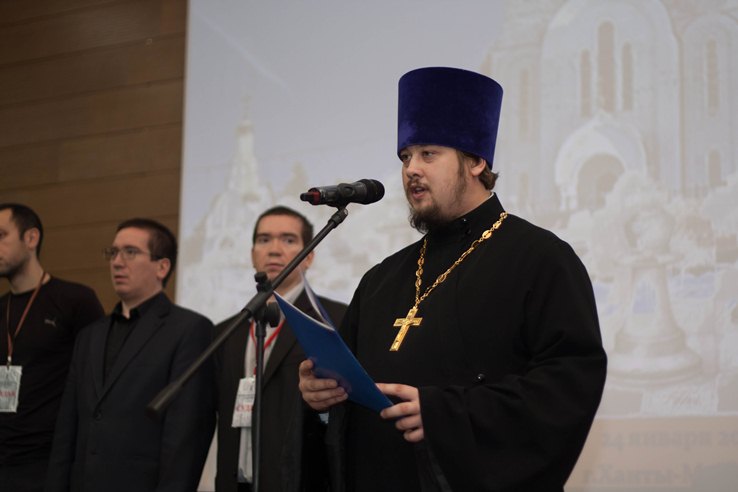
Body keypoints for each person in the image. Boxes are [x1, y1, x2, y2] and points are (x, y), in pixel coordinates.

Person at [298, 67, 608, 491]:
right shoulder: (380, 279)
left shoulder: (541, 259)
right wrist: (321, 399)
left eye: (428, 154)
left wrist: (444, 414)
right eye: (405, 157)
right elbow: (350, 395)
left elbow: (568, 387)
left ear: (476, 161)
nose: (411, 170)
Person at [45, 218, 215, 492]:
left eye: (130, 252)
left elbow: (186, 435)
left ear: (162, 267)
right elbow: (68, 428)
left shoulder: (189, 329)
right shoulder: (90, 335)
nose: (117, 262)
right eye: (113, 252)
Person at [215, 206, 347, 492]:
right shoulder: (226, 332)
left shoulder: (335, 320)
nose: (274, 250)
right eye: (264, 240)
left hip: (301, 481)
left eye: (288, 240)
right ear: (252, 254)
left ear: (309, 257)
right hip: (236, 482)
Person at [0, 204, 104, 492]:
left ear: (31, 238)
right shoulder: (2, 307)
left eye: (1, 235)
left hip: (49, 463)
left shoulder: (75, 300)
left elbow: (98, 380)